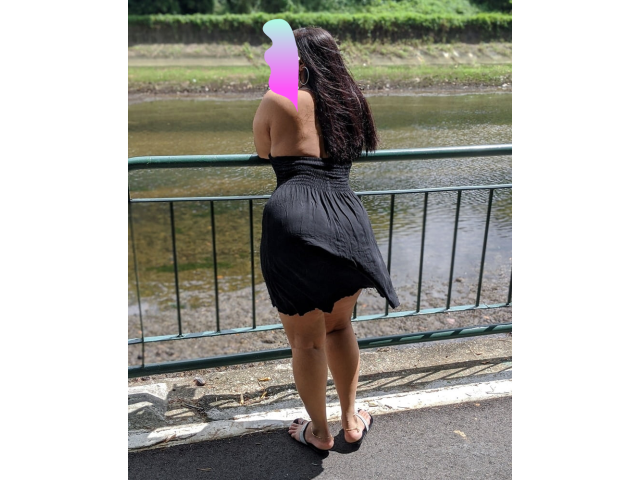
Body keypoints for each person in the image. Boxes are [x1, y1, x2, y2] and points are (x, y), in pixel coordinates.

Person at [252, 27, 400, 454]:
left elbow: (263, 150)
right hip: (346, 218)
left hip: (294, 217)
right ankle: (351, 420)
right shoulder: (350, 102)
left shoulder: (278, 98)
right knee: (339, 326)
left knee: (307, 341)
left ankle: (319, 431)